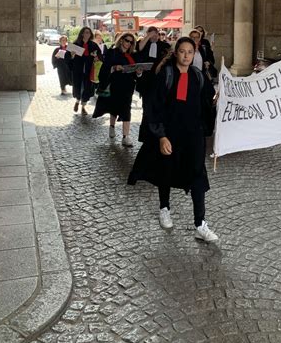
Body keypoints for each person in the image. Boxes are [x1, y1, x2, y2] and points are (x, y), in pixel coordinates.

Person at [128, 37, 218, 242]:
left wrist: (220, 99)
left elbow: (208, 101)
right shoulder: (166, 74)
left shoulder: (198, 75)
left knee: (198, 177)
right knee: (165, 172)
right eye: (182, 51)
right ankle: (164, 208)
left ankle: (200, 224)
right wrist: (161, 136)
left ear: (194, 54)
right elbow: (154, 107)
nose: (186, 55)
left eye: (190, 52)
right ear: (176, 53)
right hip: (170, 134)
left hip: (193, 135)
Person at [92, 32, 141, 146]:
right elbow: (104, 70)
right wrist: (114, 67)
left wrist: (138, 73)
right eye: (127, 40)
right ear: (121, 40)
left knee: (126, 109)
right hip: (114, 85)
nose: (128, 43)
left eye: (131, 42)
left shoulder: (133, 55)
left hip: (128, 86)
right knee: (114, 108)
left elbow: (136, 72)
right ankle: (112, 126)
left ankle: (125, 137)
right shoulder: (112, 52)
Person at [71, 26, 102, 114]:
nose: (87, 34)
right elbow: (68, 58)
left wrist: (96, 57)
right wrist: (72, 56)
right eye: (85, 32)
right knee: (79, 88)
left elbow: (100, 56)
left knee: (87, 89)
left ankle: (83, 107)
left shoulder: (93, 45)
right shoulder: (76, 44)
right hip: (78, 71)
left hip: (89, 71)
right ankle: (77, 101)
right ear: (82, 34)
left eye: (88, 32)